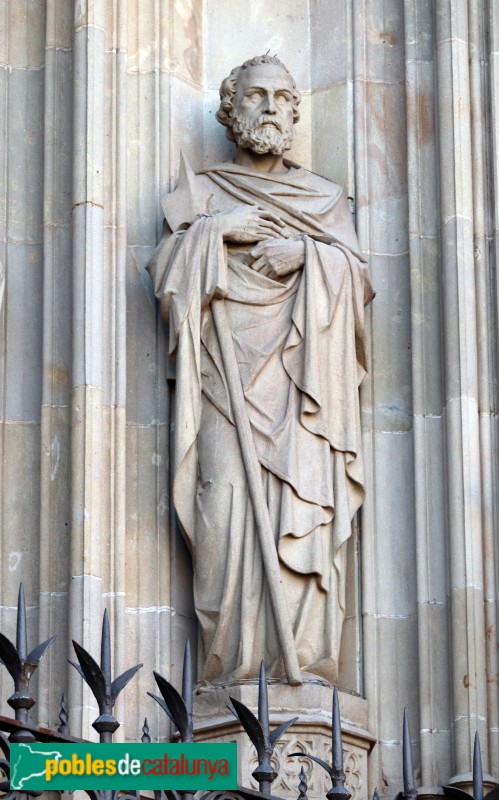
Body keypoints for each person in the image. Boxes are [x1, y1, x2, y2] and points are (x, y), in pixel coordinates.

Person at [147, 55, 374, 685]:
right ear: (230, 110)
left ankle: (304, 664)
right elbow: (167, 281)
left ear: (295, 112)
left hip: (303, 391)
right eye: (255, 96)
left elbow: (357, 282)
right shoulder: (201, 196)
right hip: (224, 382)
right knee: (223, 509)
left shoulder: (323, 201)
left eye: (282, 97)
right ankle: (232, 673)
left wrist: (304, 254)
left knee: (301, 510)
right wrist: (217, 231)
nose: (270, 107)